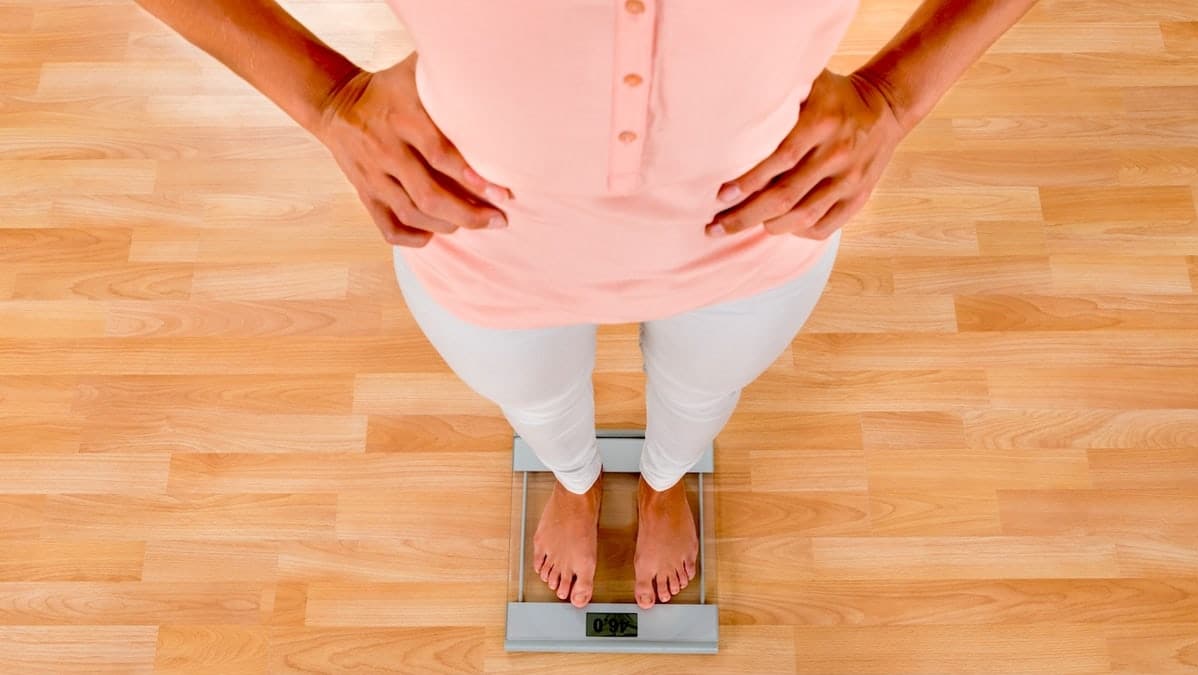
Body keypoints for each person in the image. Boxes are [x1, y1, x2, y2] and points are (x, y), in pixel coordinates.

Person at [135, 0, 1037, 611]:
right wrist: (324, 95)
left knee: (699, 397)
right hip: (483, 235)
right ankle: (572, 482)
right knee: (536, 403)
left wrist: (897, 91)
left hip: (757, 232)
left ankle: (665, 479)